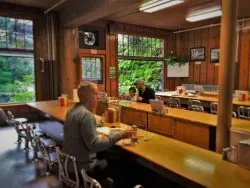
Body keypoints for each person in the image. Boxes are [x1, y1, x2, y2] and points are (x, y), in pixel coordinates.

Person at [63, 81, 134, 187]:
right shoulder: (86, 115)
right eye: (96, 93)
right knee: (124, 167)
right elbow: (94, 146)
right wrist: (120, 136)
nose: (98, 97)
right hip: (84, 169)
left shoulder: (71, 111)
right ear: (88, 96)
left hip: (70, 165)